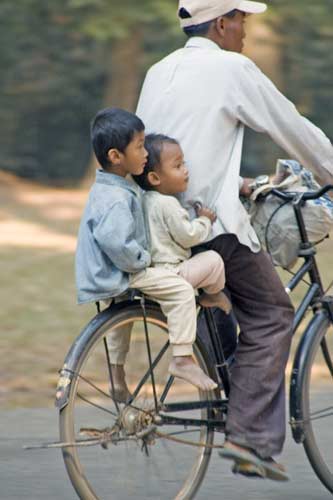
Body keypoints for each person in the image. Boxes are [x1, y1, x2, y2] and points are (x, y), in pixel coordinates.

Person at [136, 0, 333, 481]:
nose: (246, 29)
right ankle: (251, 439)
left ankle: (226, 393)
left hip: (152, 224)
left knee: (219, 301)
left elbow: (172, 152)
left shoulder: (157, 71)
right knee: (271, 314)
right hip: (205, 226)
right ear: (222, 23)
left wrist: (239, 183)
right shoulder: (232, 68)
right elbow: (294, 130)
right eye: (242, 19)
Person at [75, 107, 218, 401]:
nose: (144, 153)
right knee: (179, 289)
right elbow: (116, 242)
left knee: (120, 322)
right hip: (122, 271)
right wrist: (144, 260)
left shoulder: (110, 188)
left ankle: (116, 375)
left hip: (109, 275)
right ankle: (182, 359)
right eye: (139, 146)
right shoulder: (116, 198)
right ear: (116, 156)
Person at [132, 133, 232, 313]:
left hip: (150, 275)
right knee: (214, 260)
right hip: (172, 274)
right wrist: (205, 220)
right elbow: (188, 236)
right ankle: (213, 295)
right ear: (155, 178)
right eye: (178, 166)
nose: (185, 170)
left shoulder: (144, 200)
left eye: (183, 163)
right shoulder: (168, 203)